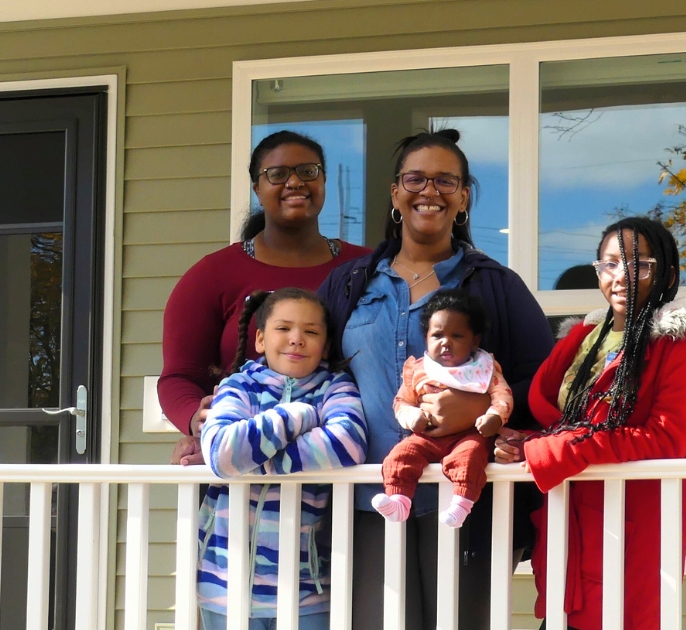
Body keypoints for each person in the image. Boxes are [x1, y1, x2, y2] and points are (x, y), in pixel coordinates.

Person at [318, 129, 554, 629]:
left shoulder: (495, 284)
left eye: (446, 180)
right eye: (416, 179)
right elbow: (306, 370)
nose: (430, 191)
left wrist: (488, 416)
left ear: (464, 196)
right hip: (368, 499)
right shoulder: (348, 284)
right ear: (394, 193)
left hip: (468, 501)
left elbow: (543, 385)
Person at [493, 217, 686, 630]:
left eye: (639, 264)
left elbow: (672, 438)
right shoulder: (583, 337)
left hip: (631, 524)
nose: (622, 277)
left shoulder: (682, 340)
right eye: (610, 264)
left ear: (667, 274)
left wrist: (561, 451)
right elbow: (568, 424)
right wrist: (528, 443)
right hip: (570, 521)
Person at [159, 130, 371, 465]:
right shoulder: (212, 275)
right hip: (240, 479)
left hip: (344, 466)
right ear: (257, 189)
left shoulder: (365, 269)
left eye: (308, 171)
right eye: (277, 174)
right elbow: (178, 376)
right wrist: (196, 419)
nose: (295, 182)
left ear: (324, 181)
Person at [198, 288, 368, 630]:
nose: (296, 339)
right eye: (284, 328)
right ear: (260, 339)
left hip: (308, 588)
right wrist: (297, 416)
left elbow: (348, 443)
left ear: (325, 344)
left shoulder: (335, 388)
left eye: (311, 331)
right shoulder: (239, 387)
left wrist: (257, 461)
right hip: (225, 586)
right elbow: (221, 452)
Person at [372, 289, 514, 527]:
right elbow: (402, 402)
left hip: (468, 436)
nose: (446, 342)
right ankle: (399, 500)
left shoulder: (484, 369)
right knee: (401, 455)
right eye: (437, 335)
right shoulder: (419, 370)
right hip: (426, 437)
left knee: (470, 457)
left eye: (457, 336)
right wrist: (412, 416)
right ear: (426, 338)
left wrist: (494, 416)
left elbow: (503, 395)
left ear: (474, 341)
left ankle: (461, 504)